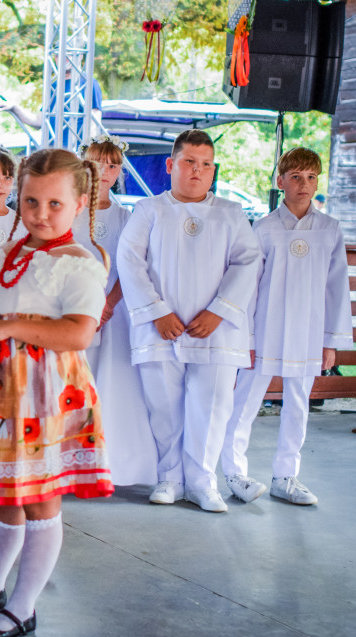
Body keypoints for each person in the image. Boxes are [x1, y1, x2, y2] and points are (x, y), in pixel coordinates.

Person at [0, 149, 112, 637]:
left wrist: (7, 325)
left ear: (79, 205)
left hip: (44, 396)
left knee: (39, 499)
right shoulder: (12, 253)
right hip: (1, 391)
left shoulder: (79, 263)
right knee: (10, 493)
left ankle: (23, 606)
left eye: (55, 204)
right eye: (31, 201)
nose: (40, 213)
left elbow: (78, 334)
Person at [116, 129, 260, 513]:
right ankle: (170, 478)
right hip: (161, 327)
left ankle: (202, 482)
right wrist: (156, 312)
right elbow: (129, 262)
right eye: (189, 162)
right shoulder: (149, 210)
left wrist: (220, 311)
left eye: (206, 165)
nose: (198, 171)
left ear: (214, 170)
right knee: (163, 405)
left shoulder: (230, 214)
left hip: (215, 329)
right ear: (171, 164)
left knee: (211, 406)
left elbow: (248, 263)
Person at [220, 147, 352, 506]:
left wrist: (330, 342)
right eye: (295, 177)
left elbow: (336, 289)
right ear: (280, 182)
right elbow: (248, 288)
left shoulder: (329, 230)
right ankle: (234, 472)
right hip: (264, 330)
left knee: (298, 404)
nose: (304, 184)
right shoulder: (263, 229)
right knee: (245, 400)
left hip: (308, 333)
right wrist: (244, 336)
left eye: (311, 177)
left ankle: (285, 476)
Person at [73, 135, 156, 486]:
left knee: (115, 381)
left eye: (113, 164)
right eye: (98, 163)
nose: (105, 171)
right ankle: (72, 465)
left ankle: (117, 466)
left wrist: (107, 305)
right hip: (75, 309)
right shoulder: (72, 210)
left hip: (115, 310)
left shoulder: (127, 216)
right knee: (76, 381)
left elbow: (134, 265)